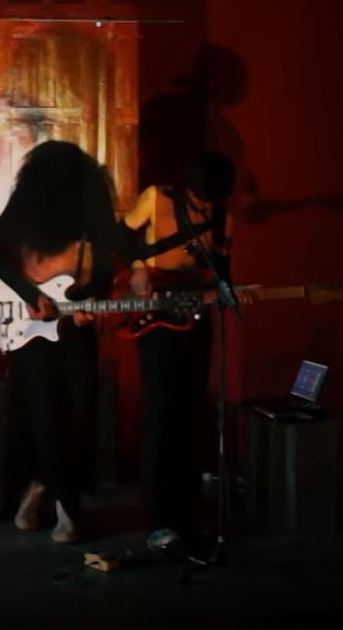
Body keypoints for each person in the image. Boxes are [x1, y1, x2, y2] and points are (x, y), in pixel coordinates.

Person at [0, 140, 122, 544]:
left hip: (73, 324)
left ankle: (64, 502)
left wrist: (92, 298)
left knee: (77, 412)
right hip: (31, 326)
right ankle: (40, 488)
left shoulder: (93, 197)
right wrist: (29, 294)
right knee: (38, 412)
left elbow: (105, 263)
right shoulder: (29, 199)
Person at [118, 150, 250, 552]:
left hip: (195, 319)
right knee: (160, 417)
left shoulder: (224, 219)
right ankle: (158, 522)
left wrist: (229, 292)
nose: (206, 207)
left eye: (212, 202)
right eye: (200, 200)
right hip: (156, 317)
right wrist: (137, 268)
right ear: (188, 190)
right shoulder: (155, 199)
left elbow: (220, 271)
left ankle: (189, 516)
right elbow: (119, 238)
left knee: (192, 417)